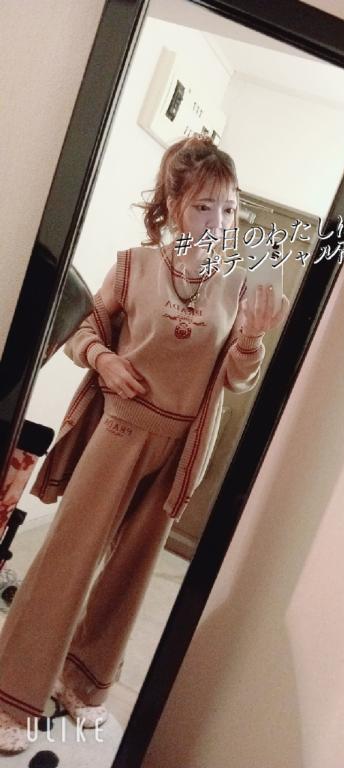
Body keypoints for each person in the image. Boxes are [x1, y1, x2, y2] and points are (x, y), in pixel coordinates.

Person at [0, 134, 289, 753]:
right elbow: (85, 325)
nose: (220, 222)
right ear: (174, 204)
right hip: (119, 432)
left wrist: (252, 340)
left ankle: (80, 681)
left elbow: (235, 379)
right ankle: (11, 695)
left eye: (231, 208)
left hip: (180, 448)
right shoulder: (134, 265)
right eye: (205, 206)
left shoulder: (239, 285)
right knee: (67, 562)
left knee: (130, 574)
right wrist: (103, 360)